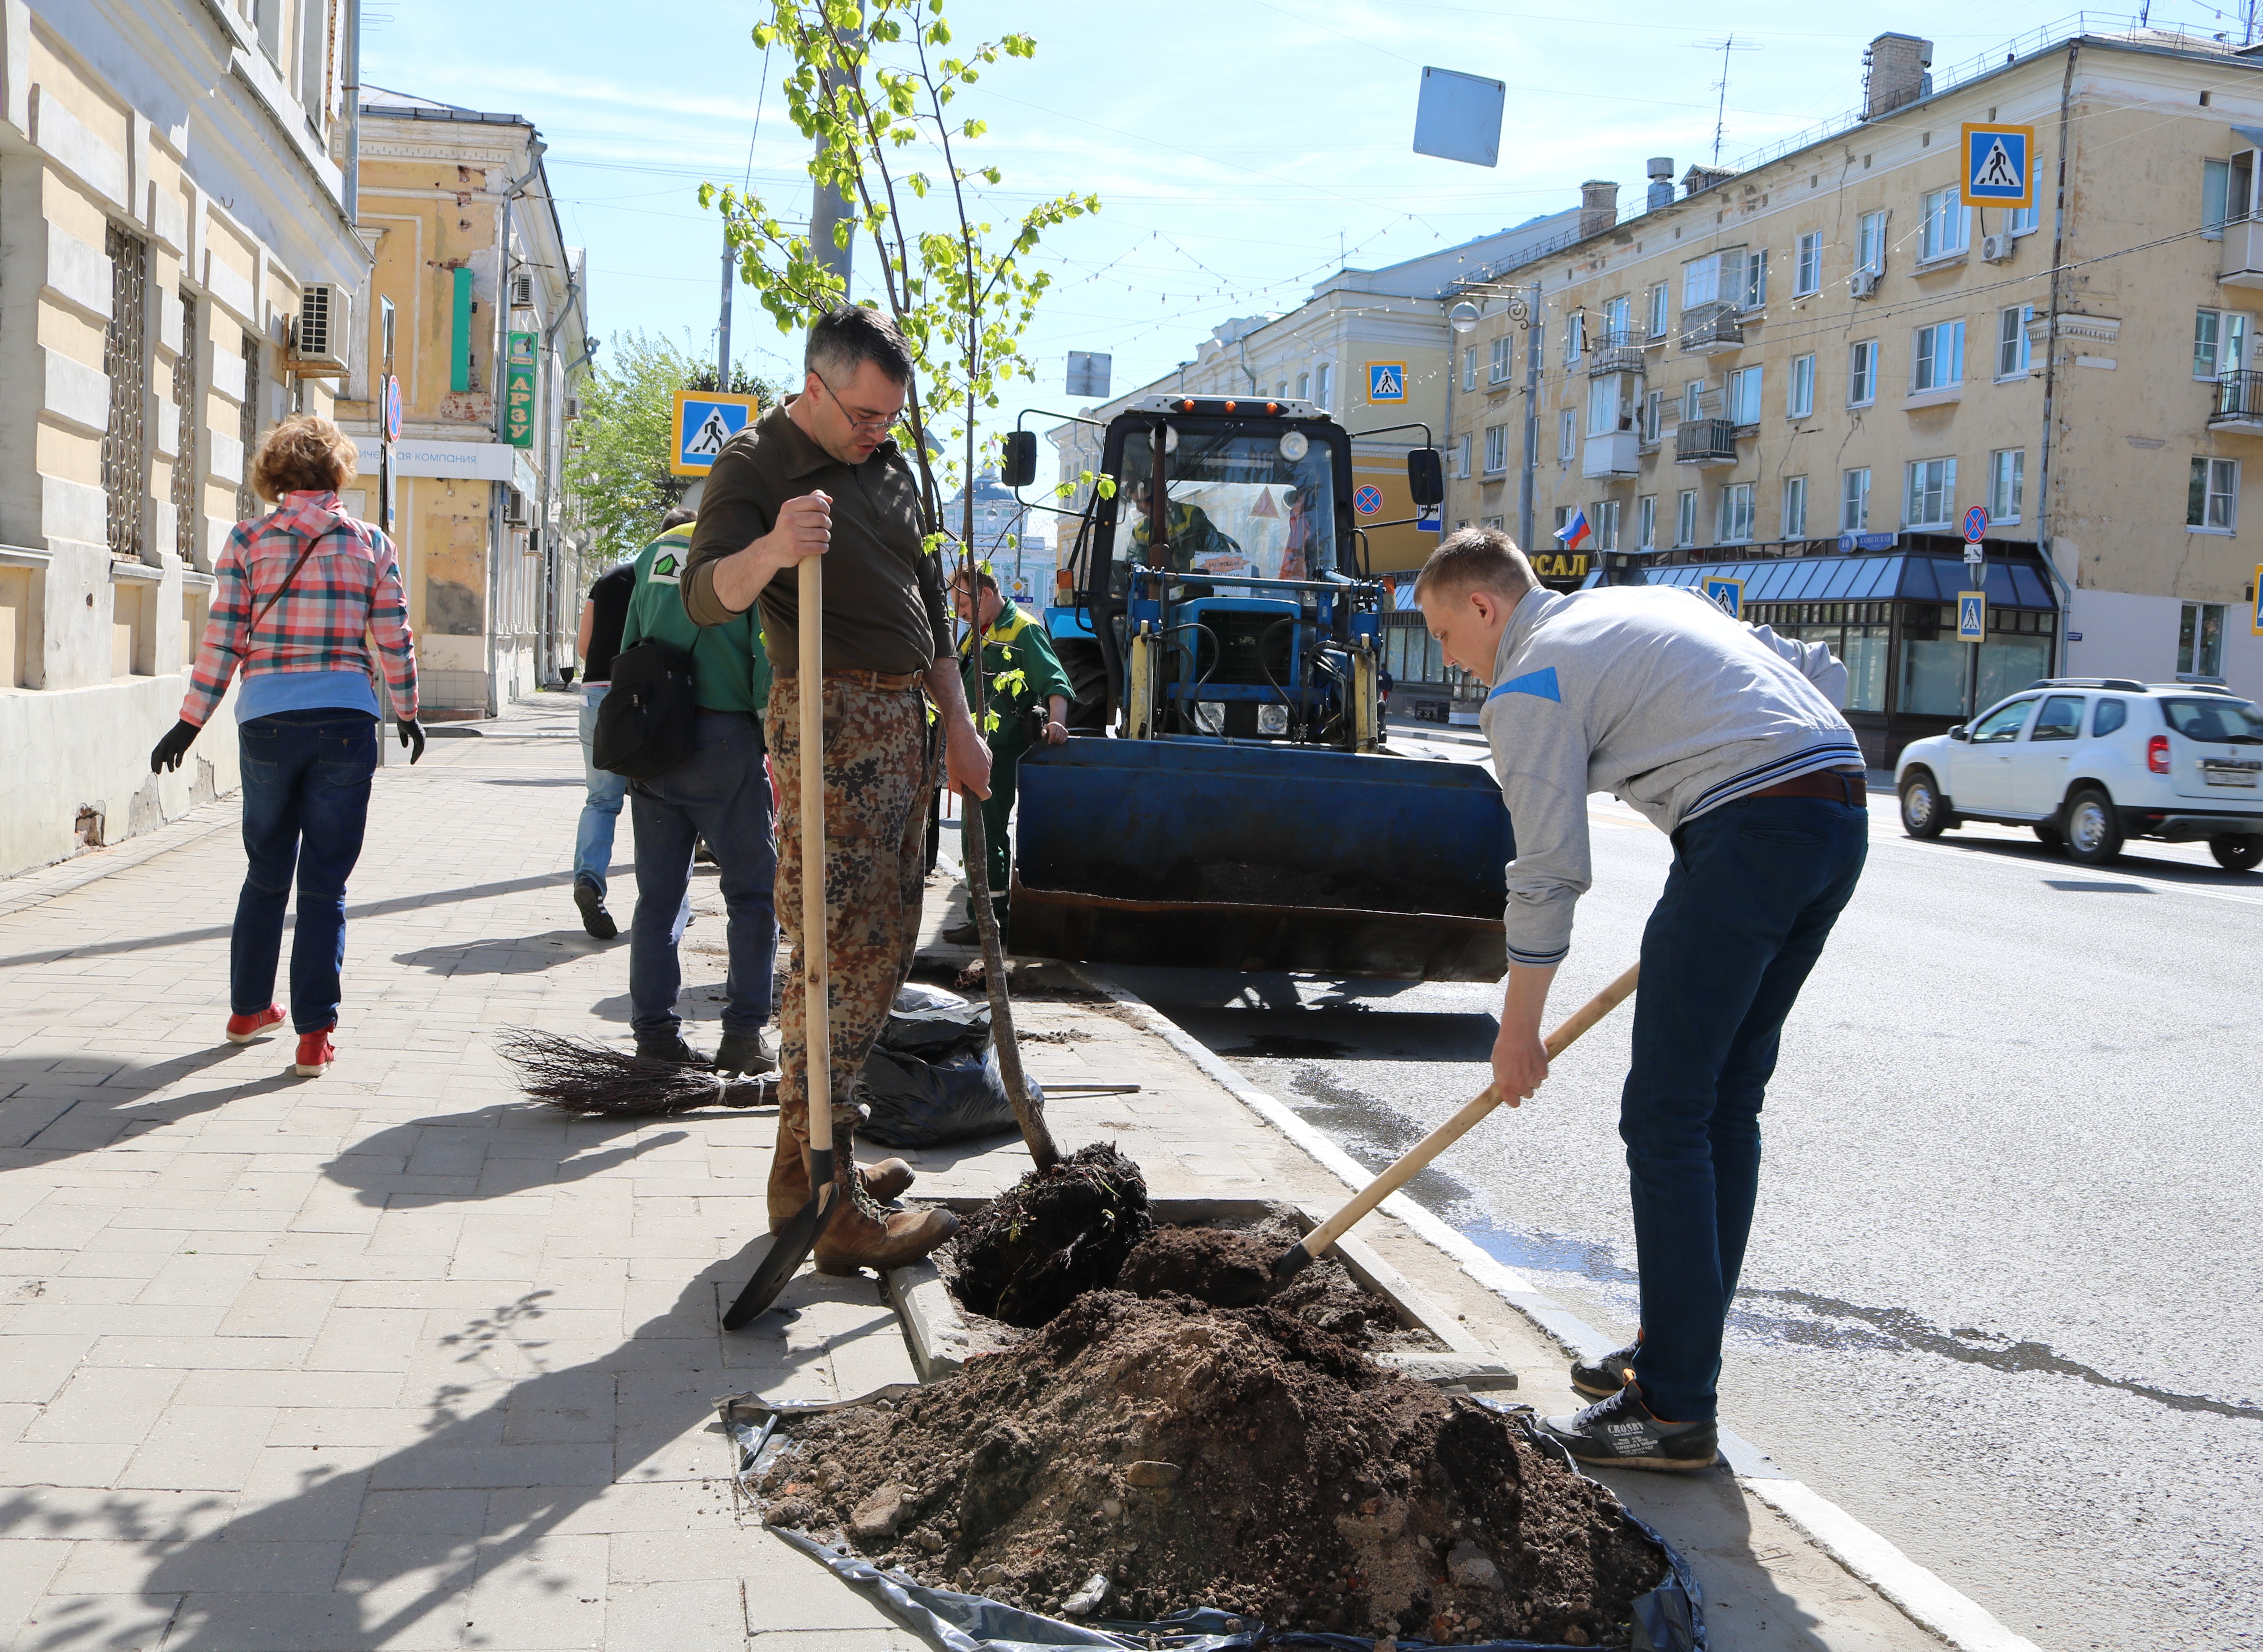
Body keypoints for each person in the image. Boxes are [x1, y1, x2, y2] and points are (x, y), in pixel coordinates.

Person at [1413, 527, 1864, 1472]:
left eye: (1444, 631)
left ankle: (1670, 1412)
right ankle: (1676, 1356)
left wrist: (1519, 1031)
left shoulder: (1529, 680)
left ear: (1486, 609)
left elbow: (1547, 869)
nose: (1447, 658)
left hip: (1751, 829)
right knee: (1720, 1105)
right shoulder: (1650, 602)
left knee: (1665, 1115)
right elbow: (1813, 665)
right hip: (1836, 807)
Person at [681, 304, 988, 1274]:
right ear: (813, 386)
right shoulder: (754, 463)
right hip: (826, 715)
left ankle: (812, 1170)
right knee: (835, 949)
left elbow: (930, 602)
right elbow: (705, 596)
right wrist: (773, 547)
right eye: (859, 414)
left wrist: (963, 720)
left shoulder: (890, 464)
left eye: (888, 417)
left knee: (885, 942)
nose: (874, 432)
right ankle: (825, 1194)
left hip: (907, 721)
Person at [149, 414, 423, 1079]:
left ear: (274, 474)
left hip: (267, 720)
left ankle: (248, 1011)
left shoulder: (247, 539)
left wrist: (189, 722)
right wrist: (408, 711)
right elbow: (393, 637)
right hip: (345, 720)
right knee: (325, 886)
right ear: (337, 472)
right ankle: (313, 1036)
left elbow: (223, 640)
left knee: (265, 871)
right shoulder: (370, 543)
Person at [612, 508, 783, 1075]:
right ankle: (743, 1035)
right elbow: (766, 658)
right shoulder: (751, 553)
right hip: (722, 742)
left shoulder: (656, 551)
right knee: (753, 894)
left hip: (655, 737)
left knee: (657, 900)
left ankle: (654, 1036)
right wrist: (773, 742)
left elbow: (633, 641)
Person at [943, 562, 1072, 944]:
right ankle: (985, 916)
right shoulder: (979, 635)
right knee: (977, 833)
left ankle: (990, 920)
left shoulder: (1022, 630)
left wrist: (1058, 722)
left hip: (998, 753)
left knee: (984, 834)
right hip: (975, 751)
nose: (960, 614)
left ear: (984, 595)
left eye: (963, 606)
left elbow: (1055, 681)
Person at [571, 552, 639, 938]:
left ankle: (590, 882)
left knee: (601, 799)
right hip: (643, 695)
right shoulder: (670, 576)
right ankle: (667, 902)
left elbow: (585, 648)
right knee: (657, 802)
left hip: (595, 693)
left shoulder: (608, 580)